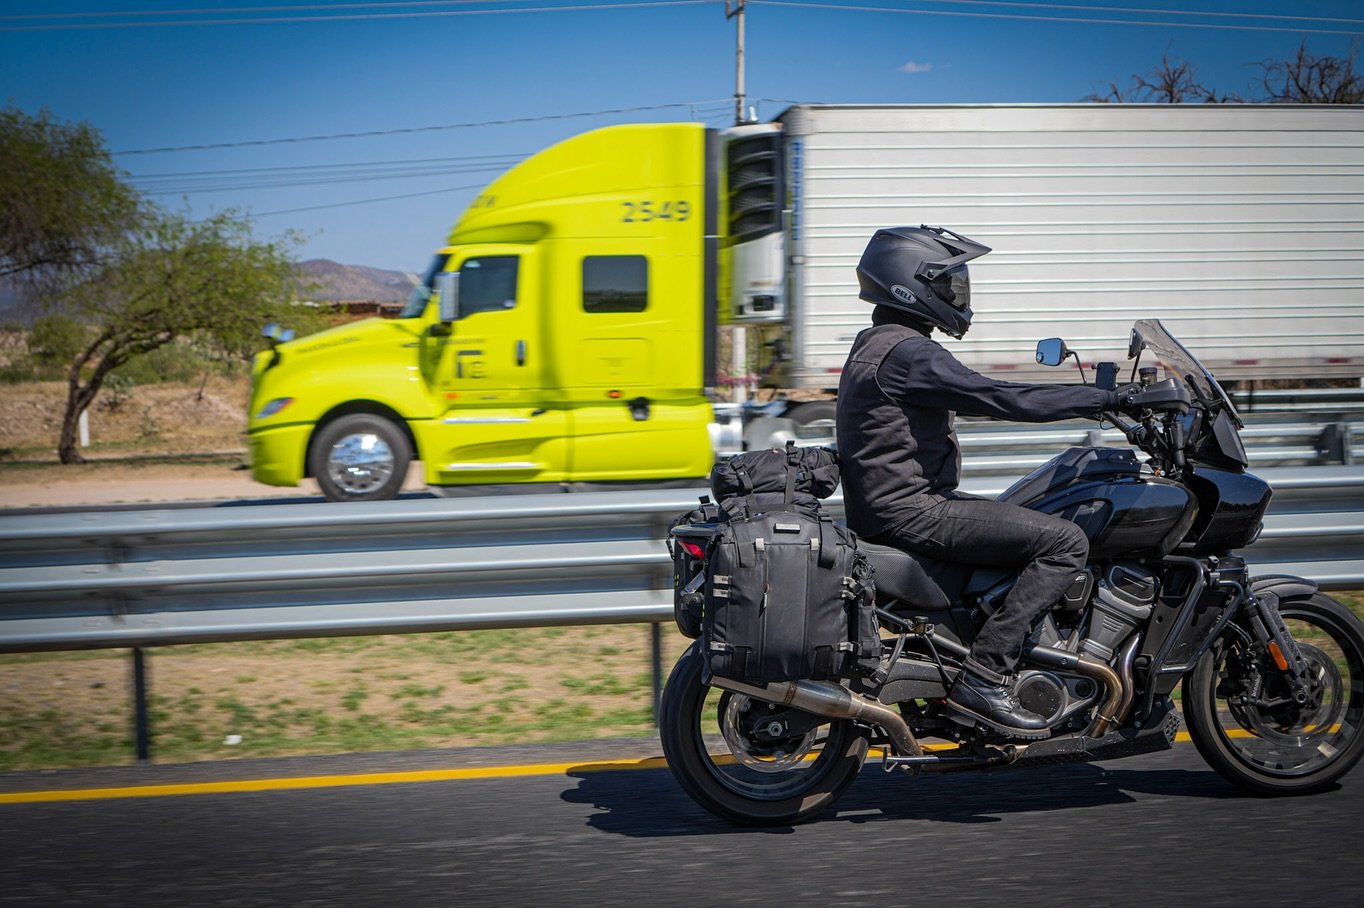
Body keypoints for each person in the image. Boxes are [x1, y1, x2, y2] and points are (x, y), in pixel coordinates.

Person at [836, 225, 1125, 739]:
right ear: (911, 283)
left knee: (1027, 517)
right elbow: (998, 397)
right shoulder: (908, 352)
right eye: (947, 283)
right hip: (913, 510)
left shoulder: (875, 343)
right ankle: (986, 674)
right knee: (1064, 540)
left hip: (891, 506)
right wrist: (1103, 400)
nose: (956, 294)